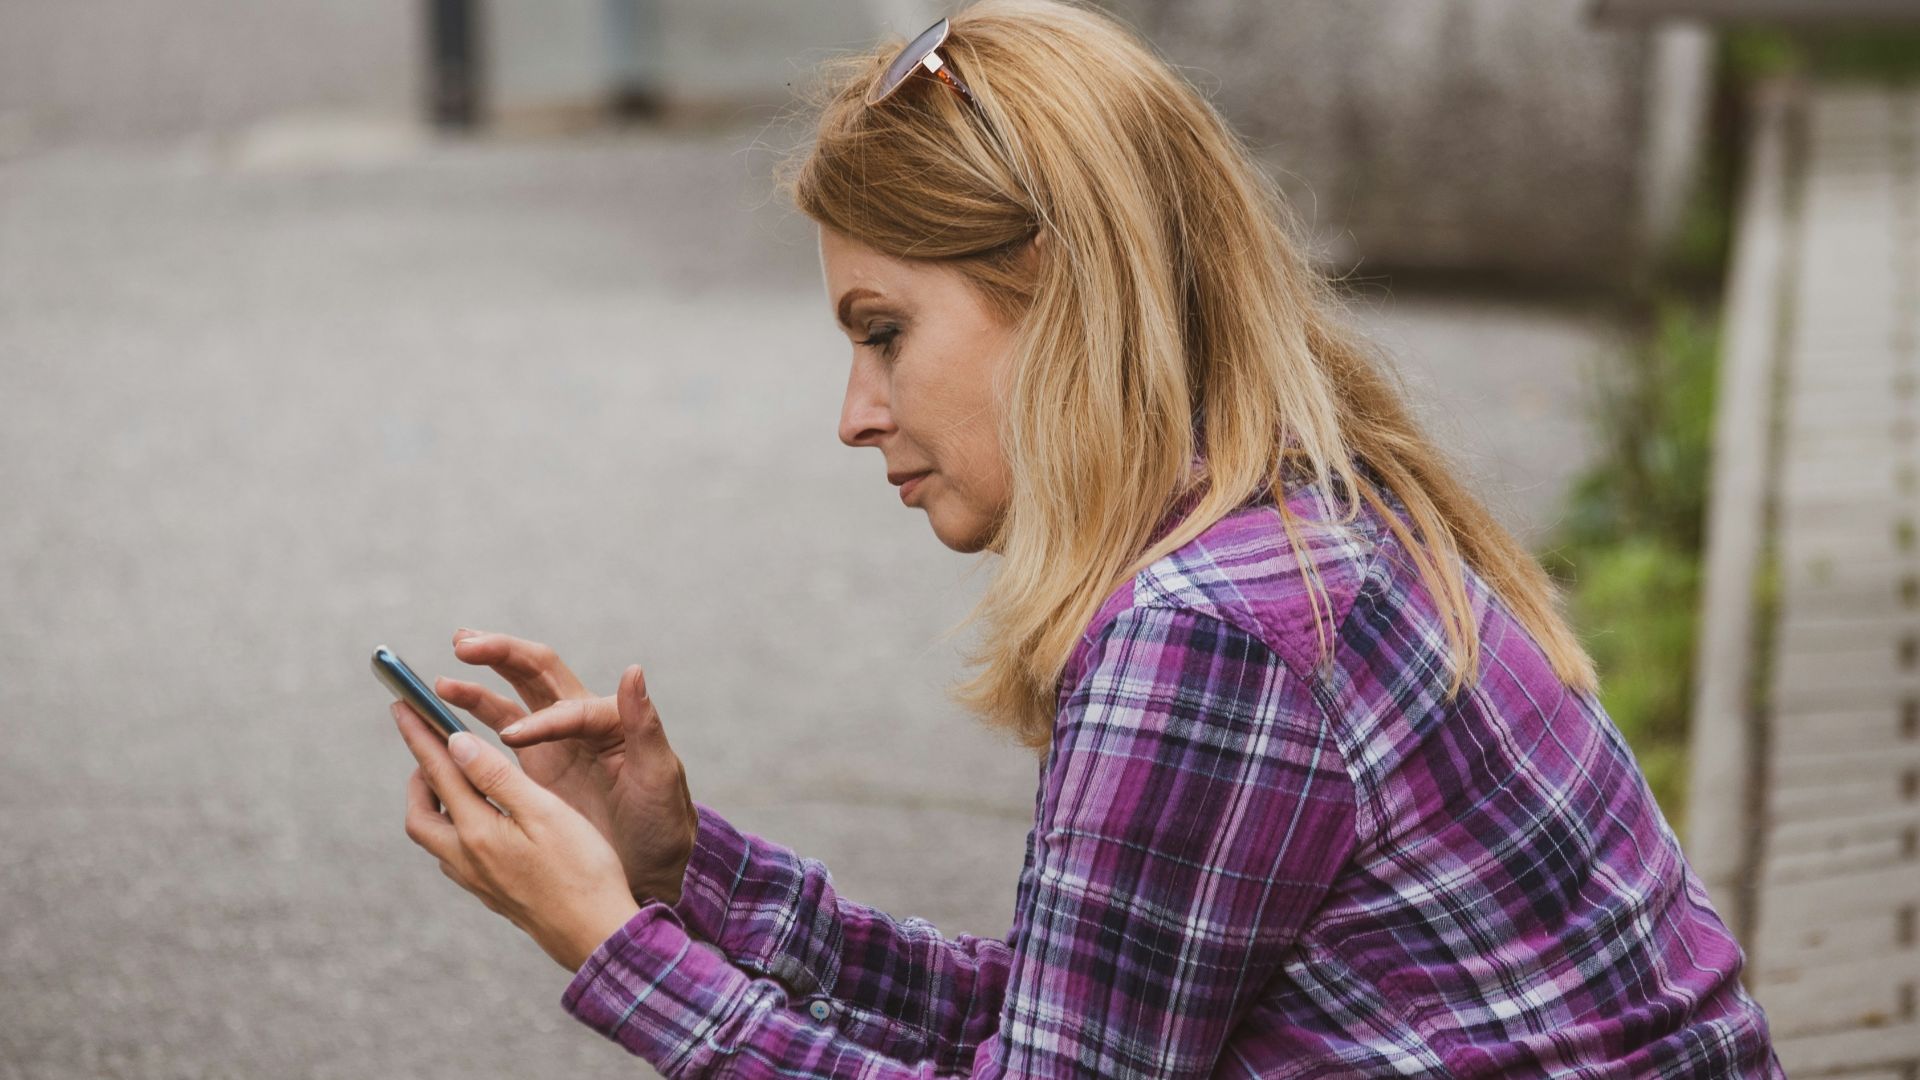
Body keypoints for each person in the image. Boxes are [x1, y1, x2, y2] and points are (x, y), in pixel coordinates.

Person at [387, 1, 1784, 1075]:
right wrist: (686, 870)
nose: (855, 415)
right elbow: (1073, 1017)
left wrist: (616, 948)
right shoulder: (1306, 517)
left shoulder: (1208, 628)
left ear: (1058, 291)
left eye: (885, 334)